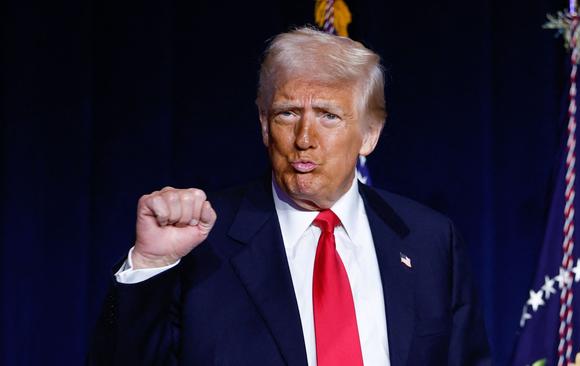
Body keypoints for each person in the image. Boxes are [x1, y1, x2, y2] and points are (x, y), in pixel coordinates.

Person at [89, 27, 491, 366]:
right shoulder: (202, 241)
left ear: (370, 134)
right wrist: (152, 263)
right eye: (287, 113)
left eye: (329, 116)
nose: (304, 139)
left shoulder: (429, 239)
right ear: (264, 125)